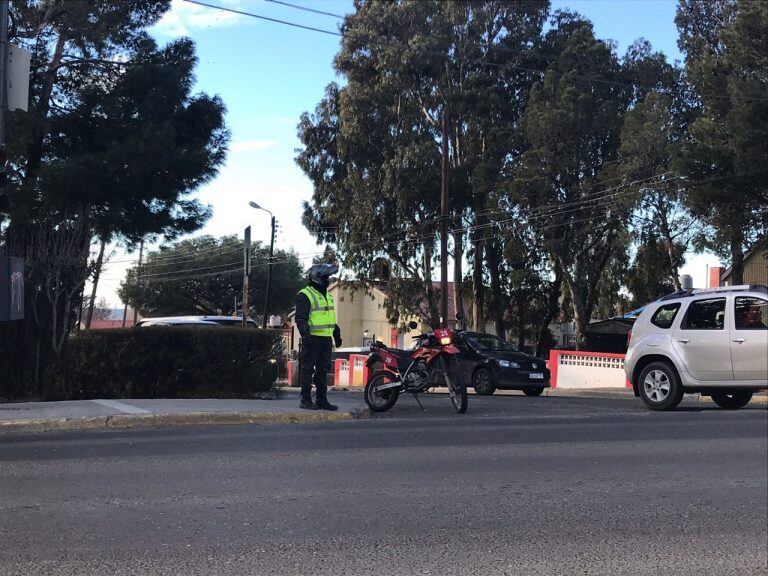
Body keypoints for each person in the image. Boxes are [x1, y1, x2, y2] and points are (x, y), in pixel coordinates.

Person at [294, 263, 342, 410]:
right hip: (313, 338)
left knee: (323, 370)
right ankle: (305, 400)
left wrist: (336, 333)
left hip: (326, 339)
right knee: (308, 369)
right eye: (326, 277)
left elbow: (329, 317)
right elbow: (300, 319)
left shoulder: (327, 295)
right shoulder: (305, 294)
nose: (328, 280)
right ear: (317, 277)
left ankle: (322, 400)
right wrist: (305, 336)